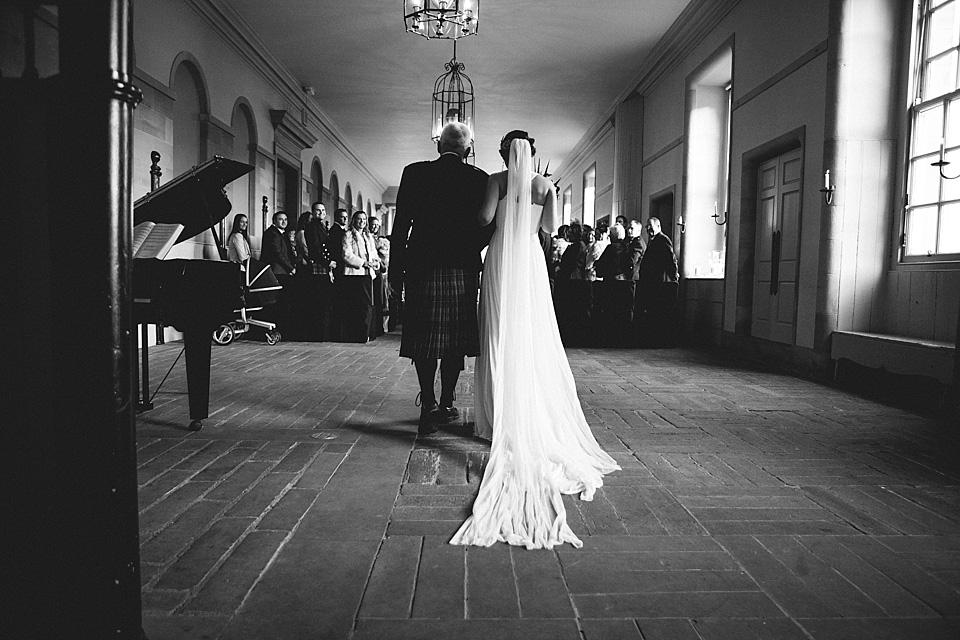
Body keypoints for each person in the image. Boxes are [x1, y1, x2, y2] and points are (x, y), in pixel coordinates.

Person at [450, 131, 619, 550]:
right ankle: (529, 407)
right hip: (529, 260)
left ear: (505, 153)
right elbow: (549, 228)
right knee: (532, 332)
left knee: (498, 332)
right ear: (534, 154)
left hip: (502, 258)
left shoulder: (497, 179)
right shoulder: (546, 186)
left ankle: (493, 417)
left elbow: (484, 220)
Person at [389, 121, 489, 434]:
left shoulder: (414, 172)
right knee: (453, 339)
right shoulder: (479, 178)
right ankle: (446, 402)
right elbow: (487, 226)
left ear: (438, 146)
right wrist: (468, 249)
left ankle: (428, 403)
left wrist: (395, 268)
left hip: (422, 266)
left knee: (424, 337)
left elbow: (401, 224)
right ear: (468, 150)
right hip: (461, 267)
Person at [635, 216, 679, 347]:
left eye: (651, 226)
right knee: (654, 311)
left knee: (660, 312)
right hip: (652, 283)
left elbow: (671, 259)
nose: (648, 229)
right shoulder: (653, 241)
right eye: (647, 226)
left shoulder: (663, 240)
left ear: (658, 227)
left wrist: (674, 275)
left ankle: (661, 340)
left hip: (659, 283)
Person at [341, 211, 380, 343]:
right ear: (354, 221)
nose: (362, 222)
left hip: (368, 274)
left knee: (368, 305)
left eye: (364, 219)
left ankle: (368, 333)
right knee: (357, 306)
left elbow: (373, 253)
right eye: (359, 219)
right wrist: (363, 263)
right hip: (355, 274)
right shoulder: (348, 235)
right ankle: (357, 335)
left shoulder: (368, 236)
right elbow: (347, 255)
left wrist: (375, 262)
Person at [304, 201, 337, 340]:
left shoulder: (321, 226)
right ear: (313, 212)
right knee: (320, 301)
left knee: (324, 301)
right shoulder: (312, 227)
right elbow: (316, 248)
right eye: (318, 210)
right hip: (319, 265)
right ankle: (318, 334)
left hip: (324, 266)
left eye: (323, 210)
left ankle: (323, 333)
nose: (321, 213)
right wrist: (328, 262)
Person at [261, 211, 296, 334]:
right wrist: (290, 268)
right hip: (277, 272)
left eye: (285, 219)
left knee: (283, 302)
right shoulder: (272, 233)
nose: (284, 221)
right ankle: (279, 329)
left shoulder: (281, 233)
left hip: (282, 271)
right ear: (274, 221)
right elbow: (277, 254)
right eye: (280, 219)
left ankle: (282, 329)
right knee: (280, 303)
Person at [368, 215, 390, 337]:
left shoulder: (381, 239)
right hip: (373, 270)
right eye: (373, 224)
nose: (375, 227)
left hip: (381, 271)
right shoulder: (368, 237)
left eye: (377, 225)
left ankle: (380, 327)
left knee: (382, 299)